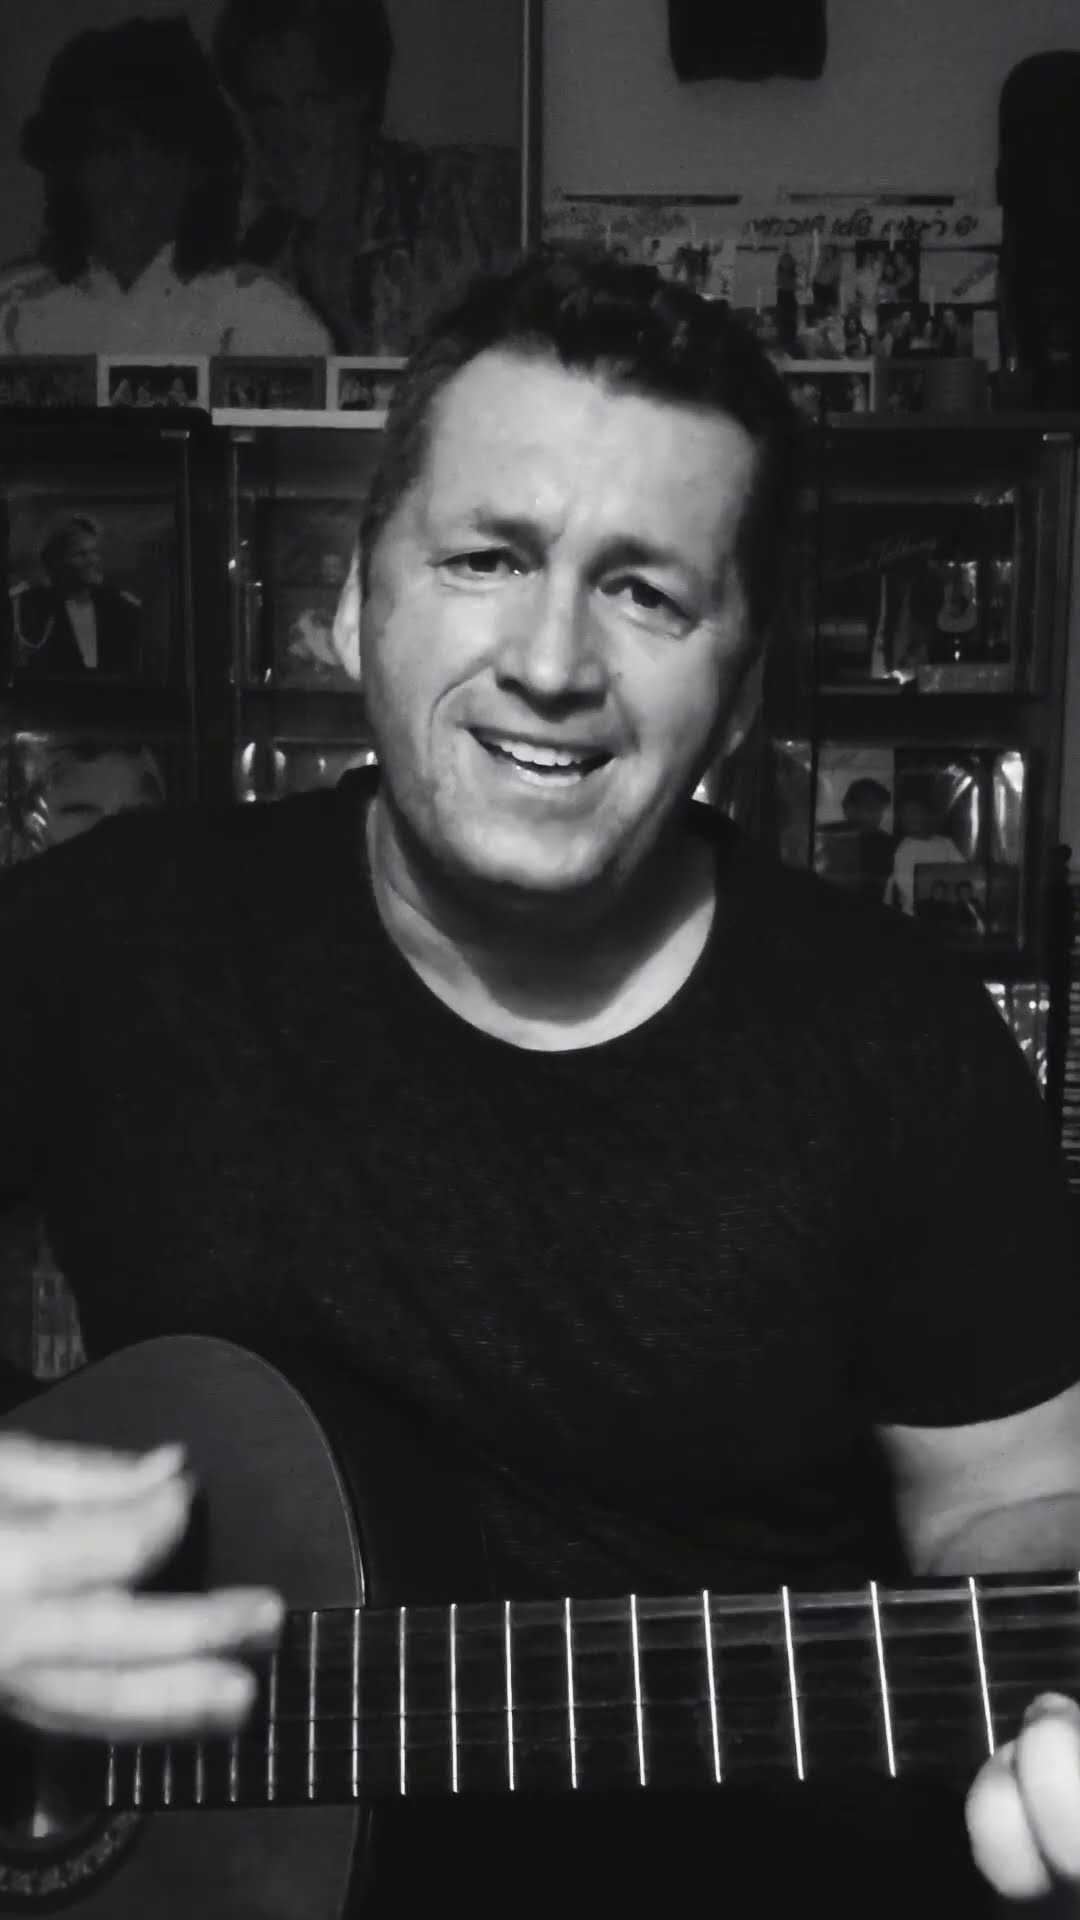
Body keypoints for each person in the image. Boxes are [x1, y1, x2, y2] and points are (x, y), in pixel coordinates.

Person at [0, 251, 1079, 1917]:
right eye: (489, 558)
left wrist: (1049, 1697)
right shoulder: (109, 938)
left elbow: (1017, 1497)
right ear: (353, 602)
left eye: (647, 593)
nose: (554, 661)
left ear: (743, 684)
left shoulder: (904, 1044)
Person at [0, 15, 331, 357]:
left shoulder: (263, 316)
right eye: (112, 150)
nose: (137, 181)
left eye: (161, 154)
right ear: (72, 164)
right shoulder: (12, 315)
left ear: (198, 171)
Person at [213, 0, 520, 352]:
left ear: (361, 96)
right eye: (269, 106)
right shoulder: (255, 263)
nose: (289, 135)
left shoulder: (467, 198)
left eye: (313, 100)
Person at [10, 516, 141, 679]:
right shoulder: (31, 608)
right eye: (81, 554)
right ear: (56, 562)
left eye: (94, 552)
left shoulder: (122, 608)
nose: (93, 560)